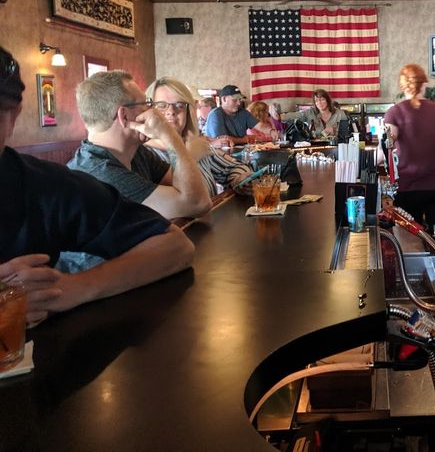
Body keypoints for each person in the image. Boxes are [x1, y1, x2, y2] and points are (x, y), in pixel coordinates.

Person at [0, 47, 194, 324]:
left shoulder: (46, 186)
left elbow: (176, 246)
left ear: (14, 116)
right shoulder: (96, 166)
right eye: (146, 106)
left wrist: (71, 288)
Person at [68, 70, 212, 220]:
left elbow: (188, 188)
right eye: (145, 104)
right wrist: (170, 136)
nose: (152, 110)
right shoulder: (102, 174)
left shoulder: (137, 152)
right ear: (124, 115)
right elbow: (198, 203)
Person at [383, 64, 435, 241]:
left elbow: (386, 150)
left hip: (410, 188)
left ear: (402, 86)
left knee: (411, 243)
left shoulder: (394, 113)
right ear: (424, 85)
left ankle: (419, 269)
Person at [145, 77, 253, 197]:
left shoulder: (194, 143)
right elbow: (174, 199)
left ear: (188, 111)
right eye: (161, 105)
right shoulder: (143, 154)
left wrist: (239, 179)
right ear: (148, 109)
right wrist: (190, 155)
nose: (171, 111)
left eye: (179, 105)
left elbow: (233, 167)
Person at [204, 84, 276, 143]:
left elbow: (260, 126)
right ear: (224, 99)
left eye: (240, 100)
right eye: (235, 100)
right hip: (221, 156)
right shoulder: (215, 115)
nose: (239, 103)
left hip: (240, 154)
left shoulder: (243, 112)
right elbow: (223, 141)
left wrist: (271, 131)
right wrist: (245, 139)